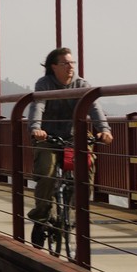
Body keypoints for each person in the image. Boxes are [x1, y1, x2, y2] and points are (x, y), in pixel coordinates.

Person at [26, 46, 114, 248]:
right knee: (47, 173)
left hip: (76, 137)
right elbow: (38, 105)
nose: (70, 67)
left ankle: (73, 214)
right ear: (53, 67)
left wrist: (104, 130)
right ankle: (41, 219)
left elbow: (94, 107)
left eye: (72, 62)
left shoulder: (82, 85)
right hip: (48, 137)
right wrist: (36, 128)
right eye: (65, 63)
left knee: (85, 174)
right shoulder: (45, 84)